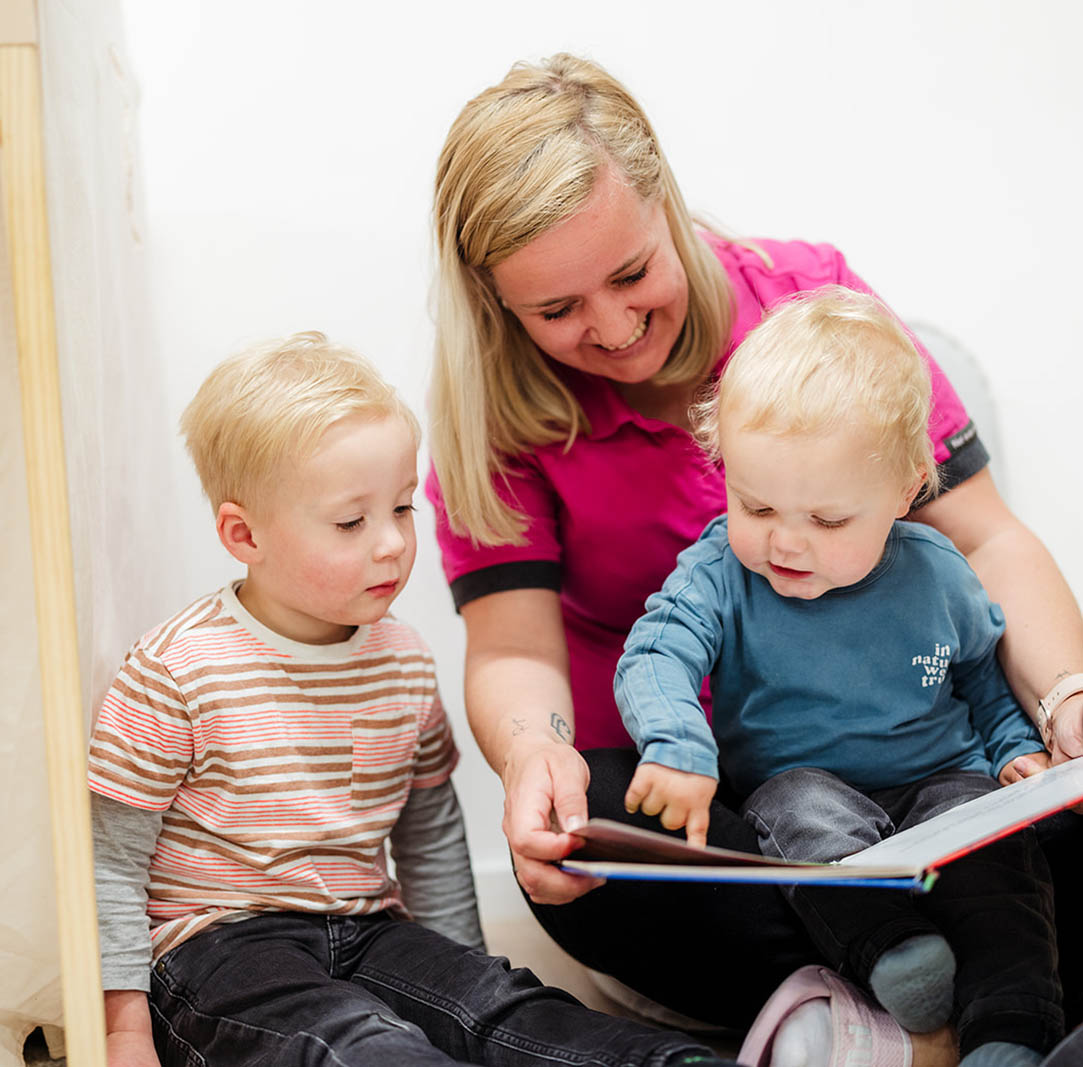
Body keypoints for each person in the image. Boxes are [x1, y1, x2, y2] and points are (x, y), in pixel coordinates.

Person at [425, 52, 1083, 1054]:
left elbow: (985, 539)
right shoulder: (501, 426)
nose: (612, 327)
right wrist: (533, 754)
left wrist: (1067, 699)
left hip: (912, 756)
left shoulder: (812, 311)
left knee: (1026, 809)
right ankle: (942, 971)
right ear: (497, 305)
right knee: (596, 853)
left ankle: (914, 985)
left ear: (668, 207)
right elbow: (513, 647)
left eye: (633, 272)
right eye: (557, 311)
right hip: (689, 784)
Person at [87, 332, 738, 1067]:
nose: (393, 543)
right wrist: (121, 1027)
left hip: (368, 925)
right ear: (244, 534)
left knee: (513, 1010)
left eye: (401, 508)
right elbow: (111, 861)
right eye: (350, 522)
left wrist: (462, 976)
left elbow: (427, 830)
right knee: (361, 1043)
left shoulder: (401, 657)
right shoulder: (175, 668)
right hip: (220, 945)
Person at [614, 287, 1062, 1067]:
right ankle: (898, 953)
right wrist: (676, 743)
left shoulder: (937, 574)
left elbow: (980, 678)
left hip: (940, 777)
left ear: (902, 491)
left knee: (997, 863)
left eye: (826, 520)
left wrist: (1012, 746)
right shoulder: (721, 569)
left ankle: (1011, 1027)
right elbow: (655, 653)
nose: (786, 542)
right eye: (756, 504)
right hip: (800, 781)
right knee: (800, 816)